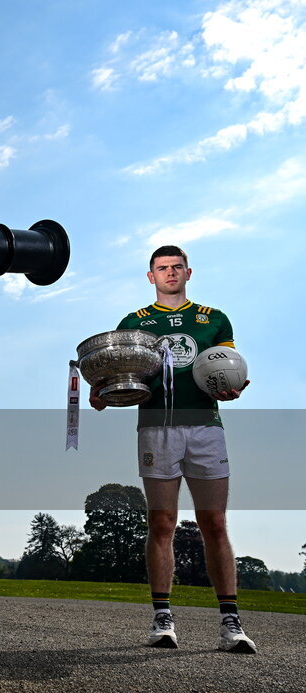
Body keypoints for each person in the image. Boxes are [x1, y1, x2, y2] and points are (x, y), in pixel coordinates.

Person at [90, 245, 256, 653]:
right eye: (162, 268)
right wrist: (102, 393)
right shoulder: (134, 322)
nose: (170, 273)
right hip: (156, 428)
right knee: (162, 523)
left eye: (176, 267)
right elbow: (118, 374)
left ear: (188, 272)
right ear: (151, 276)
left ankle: (230, 623)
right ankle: (162, 619)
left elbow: (225, 366)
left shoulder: (214, 319)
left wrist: (230, 388)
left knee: (213, 524)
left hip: (205, 428)